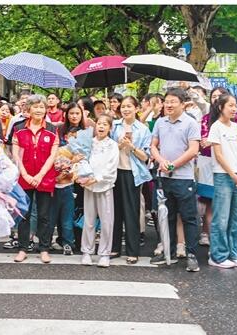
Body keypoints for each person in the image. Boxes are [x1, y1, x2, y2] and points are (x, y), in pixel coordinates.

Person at [150, 88, 201, 272]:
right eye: (166, 101)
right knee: (167, 217)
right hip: (164, 177)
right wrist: (161, 161)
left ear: (182, 103)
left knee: (189, 218)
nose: (169, 105)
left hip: (184, 178)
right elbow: (153, 146)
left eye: (173, 101)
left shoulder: (190, 123)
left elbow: (193, 149)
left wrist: (173, 165)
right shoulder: (160, 122)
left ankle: (192, 255)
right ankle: (168, 253)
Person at [12, 95, 58, 264]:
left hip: (44, 178)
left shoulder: (52, 129)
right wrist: (25, 175)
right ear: (28, 109)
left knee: (44, 215)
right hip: (24, 178)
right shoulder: (18, 128)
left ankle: (44, 248)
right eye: (35, 107)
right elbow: (15, 154)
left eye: (42, 107)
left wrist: (39, 176)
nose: (39, 110)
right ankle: (23, 248)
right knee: (24, 213)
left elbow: (53, 155)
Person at [207, 93, 237, 268]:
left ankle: (233, 253)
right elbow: (218, 155)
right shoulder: (216, 127)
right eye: (230, 105)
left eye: (235, 105)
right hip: (224, 176)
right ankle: (218, 255)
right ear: (220, 107)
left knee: (236, 217)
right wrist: (233, 174)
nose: (234, 109)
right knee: (221, 218)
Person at [110, 96, 152, 264]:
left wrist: (132, 147)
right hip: (115, 172)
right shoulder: (114, 126)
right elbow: (107, 148)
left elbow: (146, 157)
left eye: (129, 106)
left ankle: (132, 250)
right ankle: (114, 248)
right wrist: (118, 145)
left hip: (133, 174)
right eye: (123, 106)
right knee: (115, 211)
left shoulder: (142, 129)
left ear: (136, 109)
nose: (126, 109)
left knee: (131, 212)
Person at [81, 114, 119, 267]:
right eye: (99, 124)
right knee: (89, 221)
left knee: (106, 222)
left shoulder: (113, 145)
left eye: (105, 124)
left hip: (105, 187)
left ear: (110, 128)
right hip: (89, 187)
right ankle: (87, 251)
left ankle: (104, 253)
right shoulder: (89, 143)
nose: (101, 127)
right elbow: (82, 161)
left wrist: (96, 178)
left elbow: (111, 168)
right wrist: (83, 176)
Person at [50, 103, 86, 255]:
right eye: (71, 113)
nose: (74, 116)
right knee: (60, 212)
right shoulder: (59, 130)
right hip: (62, 179)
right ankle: (62, 240)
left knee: (75, 211)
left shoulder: (86, 131)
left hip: (81, 179)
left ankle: (74, 241)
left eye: (77, 113)